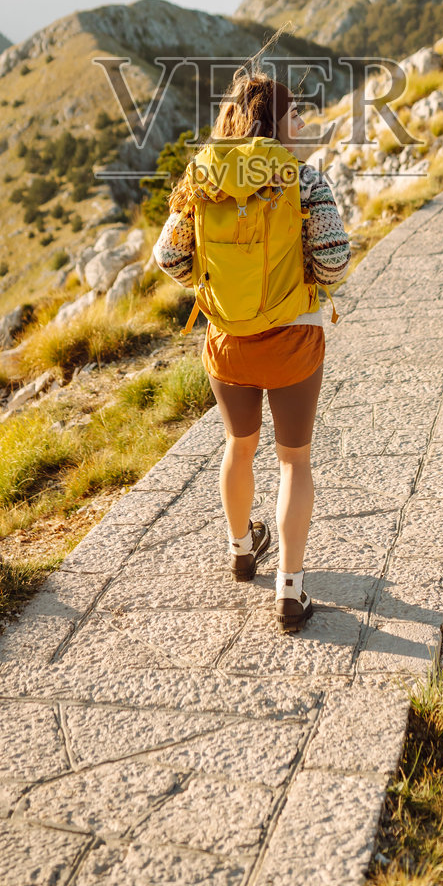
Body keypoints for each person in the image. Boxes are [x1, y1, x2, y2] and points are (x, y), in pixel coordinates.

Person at [153, 69, 351, 631]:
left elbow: (168, 256)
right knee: (294, 461)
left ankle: (241, 551)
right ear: (272, 123)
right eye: (294, 115)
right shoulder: (303, 180)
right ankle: (290, 591)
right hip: (291, 340)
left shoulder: (201, 178)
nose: (302, 124)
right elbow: (334, 260)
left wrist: (215, 287)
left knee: (238, 447)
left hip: (227, 343)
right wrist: (305, 280)